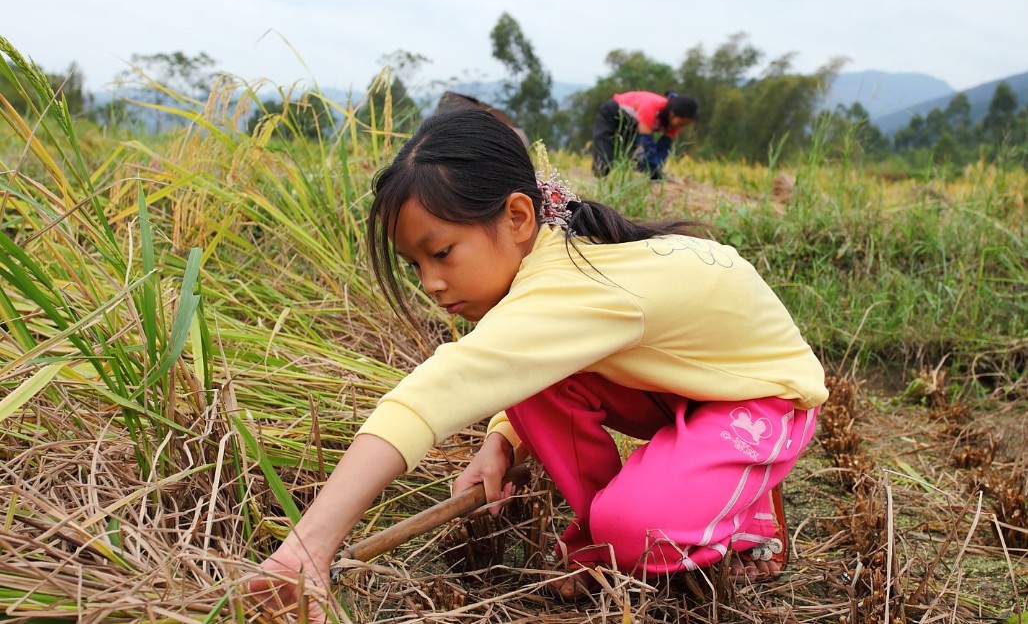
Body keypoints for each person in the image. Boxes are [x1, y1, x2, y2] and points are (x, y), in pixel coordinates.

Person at [247, 108, 827, 618]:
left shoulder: (572, 285)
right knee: (535, 391)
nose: (431, 282)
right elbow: (522, 366)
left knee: (638, 533)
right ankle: (604, 538)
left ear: (519, 217)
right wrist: (502, 437)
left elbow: (431, 395)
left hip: (757, 397)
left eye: (441, 252)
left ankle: (747, 521)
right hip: (680, 386)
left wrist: (306, 550)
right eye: (415, 265)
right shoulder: (550, 268)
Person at [592, 90, 698, 179]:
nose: (680, 127)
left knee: (629, 154)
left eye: (685, 125)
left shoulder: (674, 124)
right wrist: (649, 166)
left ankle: (623, 179)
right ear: (672, 114)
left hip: (634, 122)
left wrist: (655, 169)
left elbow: (664, 148)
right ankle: (600, 175)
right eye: (681, 123)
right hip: (615, 111)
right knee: (605, 146)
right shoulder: (651, 107)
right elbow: (645, 143)